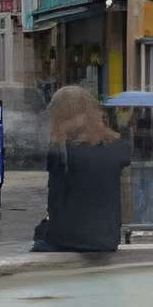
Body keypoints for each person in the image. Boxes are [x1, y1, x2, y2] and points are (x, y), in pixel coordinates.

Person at [39, 85, 131, 253]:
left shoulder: (62, 152)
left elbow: (55, 204)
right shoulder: (119, 148)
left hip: (71, 240)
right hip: (107, 240)